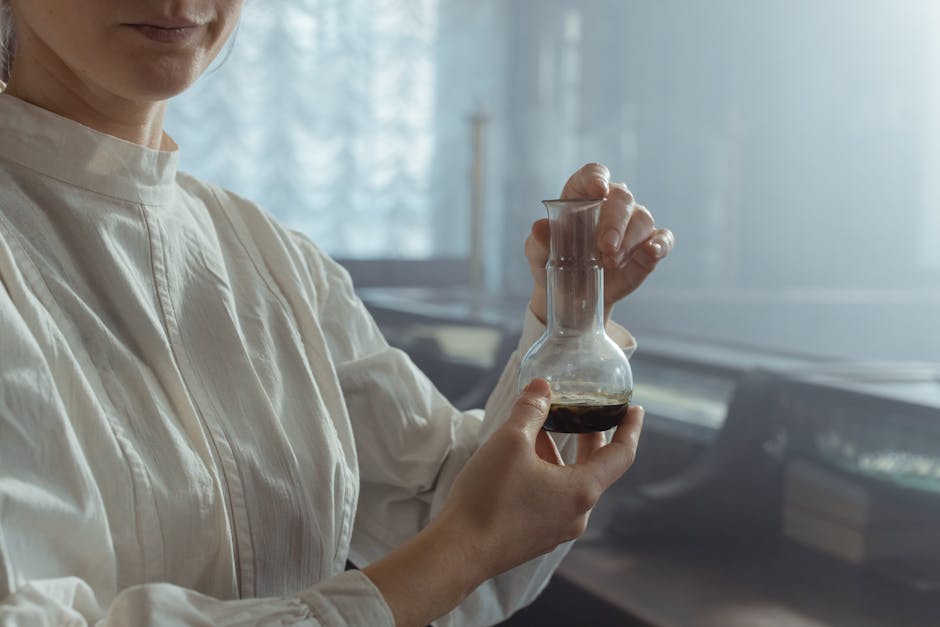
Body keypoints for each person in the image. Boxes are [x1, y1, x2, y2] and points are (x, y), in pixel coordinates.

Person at [0, 1, 674, 625]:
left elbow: (452, 512)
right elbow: (455, 546)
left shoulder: (271, 257)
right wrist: (460, 549)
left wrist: (572, 322)